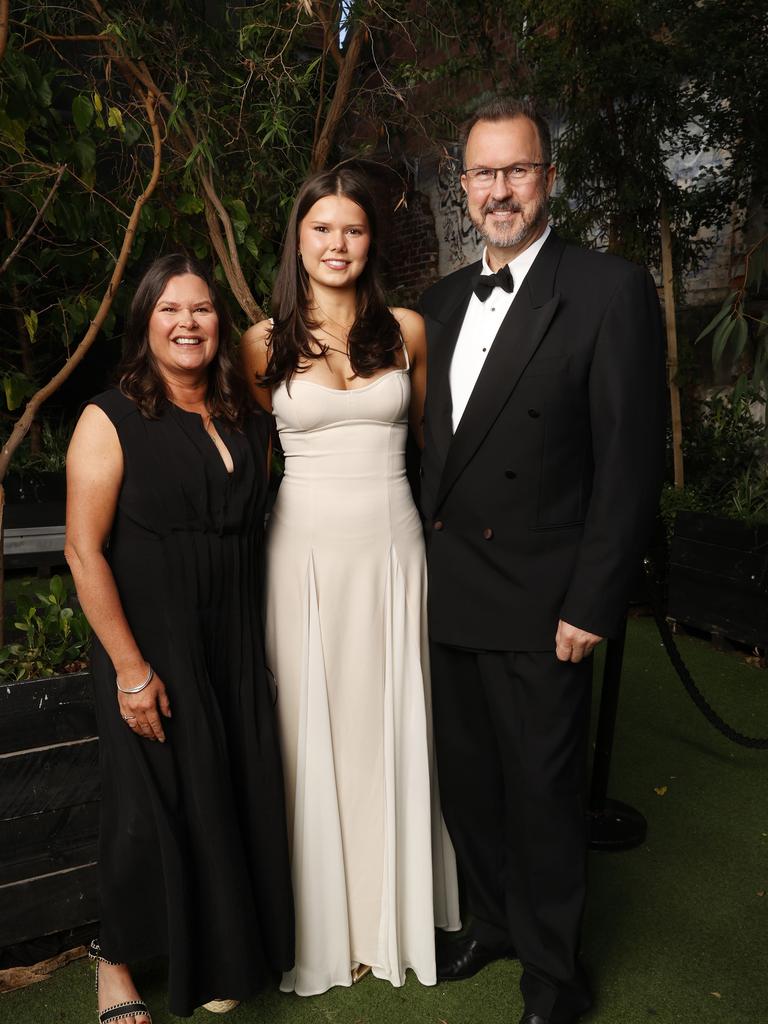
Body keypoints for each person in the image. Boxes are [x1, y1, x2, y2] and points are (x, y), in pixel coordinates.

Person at [419, 98, 666, 1024]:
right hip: (451, 596)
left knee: (545, 799)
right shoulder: (440, 303)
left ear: (548, 177)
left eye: (516, 170)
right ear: (465, 185)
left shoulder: (607, 289)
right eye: (483, 173)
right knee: (470, 785)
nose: (499, 190)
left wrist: (593, 602)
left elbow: (629, 465)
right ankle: (492, 920)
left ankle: (555, 978)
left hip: (543, 601)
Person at [241, 166, 460, 996]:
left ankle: (390, 913)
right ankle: (322, 921)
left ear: (373, 241)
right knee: (309, 731)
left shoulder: (407, 329)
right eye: (322, 228)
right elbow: (242, 468)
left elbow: (433, 448)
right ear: (298, 239)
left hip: (394, 549)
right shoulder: (260, 342)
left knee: (392, 719)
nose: (337, 245)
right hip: (301, 556)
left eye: (354, 230)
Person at [65, 254, 294, 1022]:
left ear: (219, 325)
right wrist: (130, 669)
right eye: (170, 310)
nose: (188, 323)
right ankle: (115, 964)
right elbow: (82, 550)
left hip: (229, 637)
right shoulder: (111, 415)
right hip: (151, 644)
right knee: (148, 807)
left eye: (200, 309)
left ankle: (225, 952)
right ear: (145, 324)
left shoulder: (242, 412)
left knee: (224, 790)